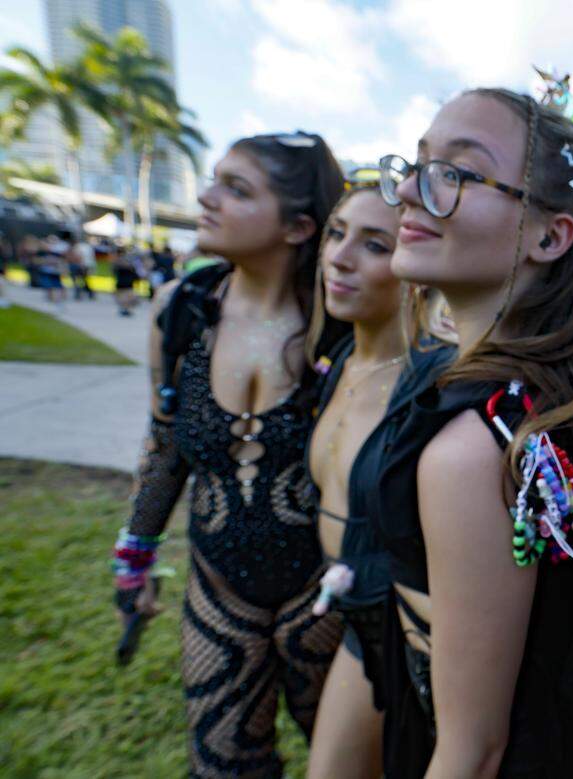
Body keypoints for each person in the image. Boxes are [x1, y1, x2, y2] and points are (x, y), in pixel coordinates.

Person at [371, 85, 573, 777]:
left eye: (454, 173)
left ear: (551, 235)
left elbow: (472, 751)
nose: (406, 190)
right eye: (417, 164)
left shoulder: (475, 447)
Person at [109, 131, 346, 777]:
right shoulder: (182, 310)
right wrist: (135, 554)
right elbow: (165, 446)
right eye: (214, 180)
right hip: (218, 593)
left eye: (236, 188)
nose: (206, 198)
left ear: (299, 225)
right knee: (222, 767)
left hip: (325, 598)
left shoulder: (342, 325)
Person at [303, 181, 419, 778]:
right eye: (337, 233)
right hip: (342, 616)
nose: (339, 257)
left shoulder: (429, 388)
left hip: (398, 640)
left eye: (374, 244)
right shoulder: (337, 363)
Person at [66, 230, 95, 300]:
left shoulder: (82, 247)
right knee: (81, 280)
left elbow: (82, 257)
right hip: (82, 265)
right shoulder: (86, 246)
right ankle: (83, 293)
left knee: (81, 280)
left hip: (83, 265)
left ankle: (84, 293)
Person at [112, 246, 139, 316]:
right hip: (128, 281)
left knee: (122, 296)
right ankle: (126, 309)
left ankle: (124, 309)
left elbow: (113, 271)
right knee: (126, 296)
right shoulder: (129, 260)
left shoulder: (117, 261)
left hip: (122, 281)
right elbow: (134, 270)